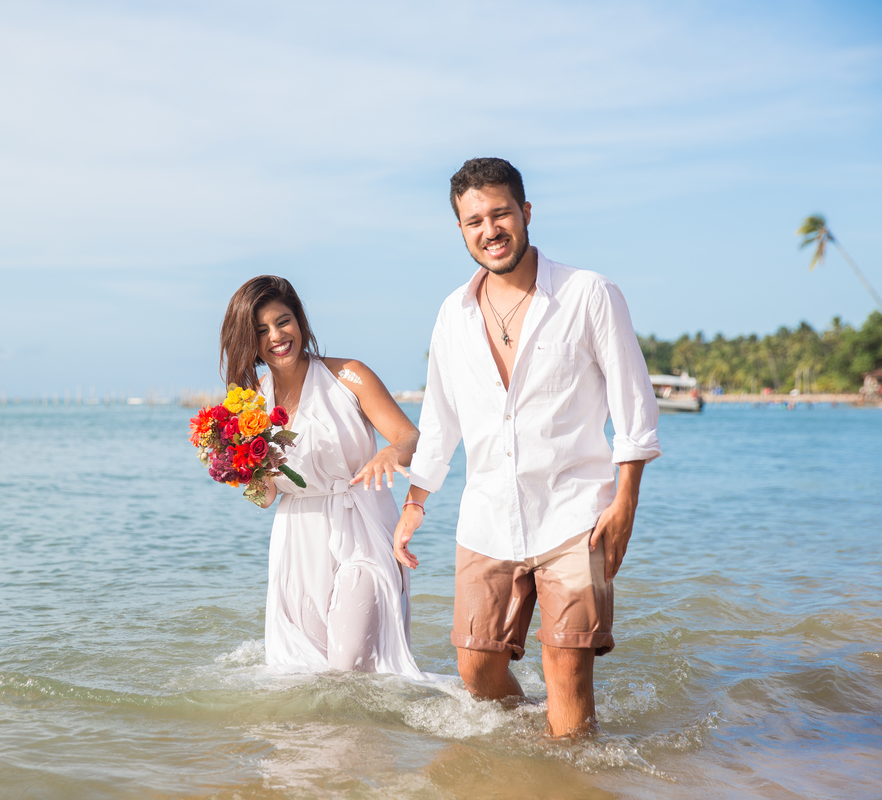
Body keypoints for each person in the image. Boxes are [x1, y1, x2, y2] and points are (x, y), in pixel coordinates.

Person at [393, 158, 661, 736]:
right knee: (476, 666)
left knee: (567, 672)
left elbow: (633, 405)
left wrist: (625, 506)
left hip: (575, 516)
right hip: (486, 517)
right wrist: (415, 501)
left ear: (526, 213)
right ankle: (526, 761)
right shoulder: (452, 315)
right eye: (473, 221)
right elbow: (439, 417)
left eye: (500, 213)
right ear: (461, 231)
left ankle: (569, 770)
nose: (489, 230)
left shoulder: (589, 294)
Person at [220, 275, 424, 678]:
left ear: (299, 320)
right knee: (310, 674)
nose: (277, 336)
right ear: (250, 343)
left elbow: (409, 436)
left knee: (347, 667)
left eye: (283, 321)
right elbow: (264, 499)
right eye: (262, 331)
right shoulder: (252, 405)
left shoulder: (349, 375)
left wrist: (388, 451)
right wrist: (241, 471)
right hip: (298, 542)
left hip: (363, 526)